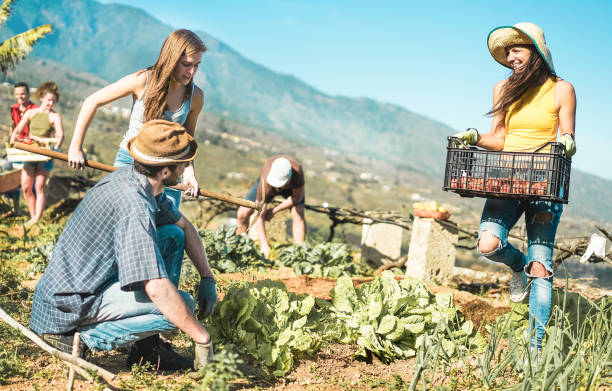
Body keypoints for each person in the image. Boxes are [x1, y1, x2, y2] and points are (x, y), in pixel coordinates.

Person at [30, 120, 218, 371]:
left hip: (88, 284)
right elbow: (157, 289)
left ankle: (146, 348)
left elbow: (185, 227)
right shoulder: (134, 205)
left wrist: (207, 277)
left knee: (172, 233)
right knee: (177, 310)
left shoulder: (139, 181)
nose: (186, 168)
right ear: (164, 171)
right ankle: (80, 339)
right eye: (183, 163)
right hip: (68, 306)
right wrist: (202, 338)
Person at [454, 22, 576, 351]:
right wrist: (475, 137)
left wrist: (566, 142)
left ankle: (535, 349)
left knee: (542, 266)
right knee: (488, 244)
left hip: (543, 185)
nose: (510, 56)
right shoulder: (503, 88)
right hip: (506, 179)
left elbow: (567, 137)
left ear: (536, 52)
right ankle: (516, 263)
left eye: (517, 49)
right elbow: (499, 138)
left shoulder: (561, 89)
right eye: (507, 51)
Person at [68, 29, 206, 207]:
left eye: (197, 65)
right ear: (172, 58)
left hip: (169, 172)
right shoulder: (142, 80)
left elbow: (186, 140)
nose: (192, 71)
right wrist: (75, 147)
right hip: (130, 163)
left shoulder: (196, 96)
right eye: (187, 64)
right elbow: (92, 101)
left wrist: (188, 172)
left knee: (166, 228)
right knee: (125, 221)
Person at [9, 81, 64, 226]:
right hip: (30, 154)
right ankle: (33, 216)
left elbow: (60, 136)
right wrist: (13, 140)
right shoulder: (31, 112)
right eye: (48, 100)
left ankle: (36, 219)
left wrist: (55, 147)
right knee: (26, 187)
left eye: (53, 101)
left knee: (39, 186)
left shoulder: (54, 116)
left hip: (45, 156)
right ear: (42, 99)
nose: (51, 103)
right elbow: (18, 129)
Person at [236, 156, 306, 257]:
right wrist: (265, 245)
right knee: (242, 213)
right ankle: (240, 245)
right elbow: (259, 215)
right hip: (268, 186)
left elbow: (296, 199)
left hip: (291, 189)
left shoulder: (297, 172)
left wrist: (274, 211)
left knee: (298, 211)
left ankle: (300, 252)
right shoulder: (265, 181)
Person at [3, 81, 38, 217]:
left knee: (28, 182)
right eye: (17, 94)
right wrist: (11, 139)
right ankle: (16, 208)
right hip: (17, 147)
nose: (20, 97)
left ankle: (33, 213)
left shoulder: (35, 109)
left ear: (28, 94)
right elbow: (14, 125)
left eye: (23, 94)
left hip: (31, 148)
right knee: (10, 176)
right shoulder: (14, 109)